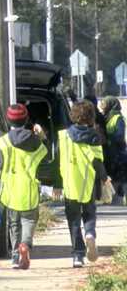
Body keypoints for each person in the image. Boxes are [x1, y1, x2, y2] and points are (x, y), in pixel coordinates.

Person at [0, 104, 47, 270]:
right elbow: (45, 157)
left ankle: (16, 256)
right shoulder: (35, 141)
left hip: (10, 190)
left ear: (8, 120)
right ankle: (25, 245)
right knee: (29, 220)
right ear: (27, 119)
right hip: (29, 189)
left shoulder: (2, 142)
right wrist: (42, 136)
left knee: (14, 223)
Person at [58, 100, 110, 268]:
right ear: (90, 117)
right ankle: (90, 235)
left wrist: (56, 183)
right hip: (88, 184)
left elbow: (59, 160)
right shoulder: (94, 136)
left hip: (69, 183)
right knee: (89, 214)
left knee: (73, 220)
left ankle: (77, 256)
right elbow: (97, 161)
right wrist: (104, 178)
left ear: (73, 115)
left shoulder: (63, 136)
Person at [100, 96, 127, 205]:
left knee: (119, 182)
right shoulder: (106, 118)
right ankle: (113, 202)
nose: (103, 107)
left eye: (105, 104)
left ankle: (118, 205)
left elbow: (119, 136)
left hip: (118, 157)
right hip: (110, 156)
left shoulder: (118, 118)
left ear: (111, 104)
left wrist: (106, 137)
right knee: (112, 181)